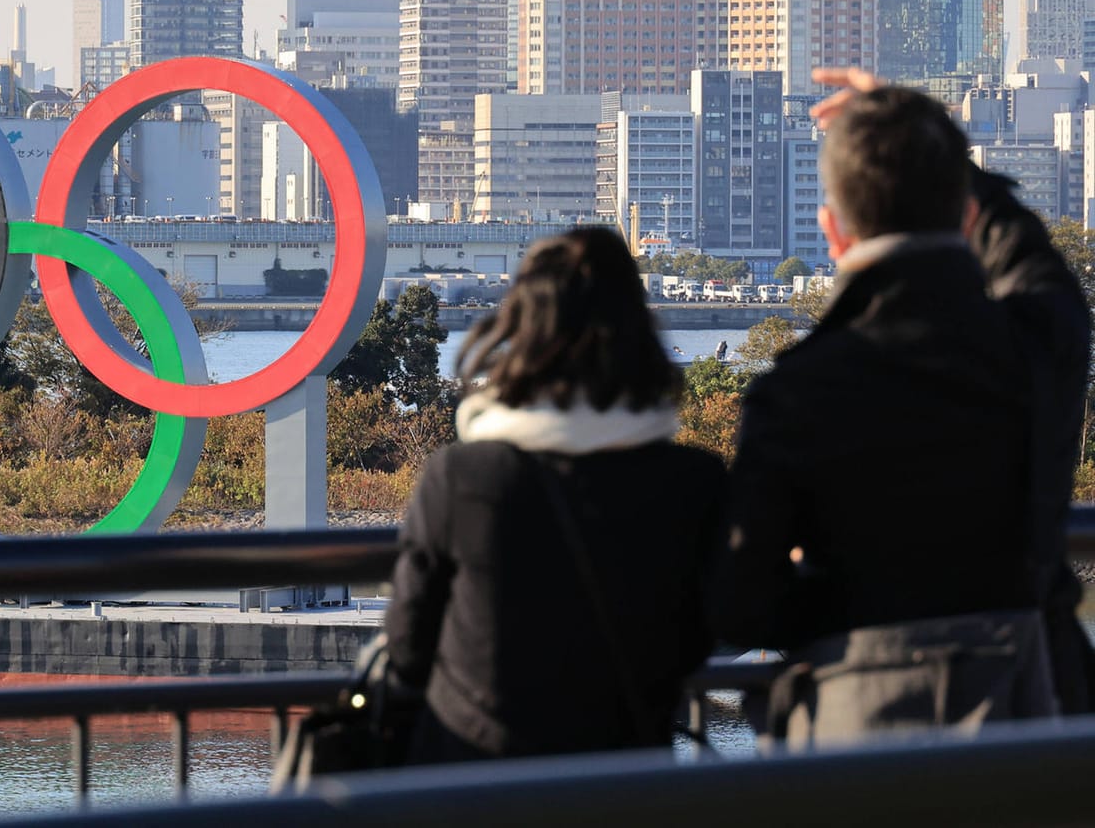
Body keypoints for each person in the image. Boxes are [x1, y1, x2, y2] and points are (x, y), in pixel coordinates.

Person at [712, 72, 1093, 745]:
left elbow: (745, 604)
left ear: (831, 230)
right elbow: (1037, 265)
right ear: (968, 215)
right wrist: (934, 143)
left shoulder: (795, 392)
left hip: (855, 736)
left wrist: (841, 600)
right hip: (1034, 723)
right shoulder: (1033, 345)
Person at [384, 226, 725, 762]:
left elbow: (408, 645)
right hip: (626, 776)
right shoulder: (694, 482)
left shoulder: (462, 478)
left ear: (518, 325)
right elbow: (705, 633)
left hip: (475, 774)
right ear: (638, 324)